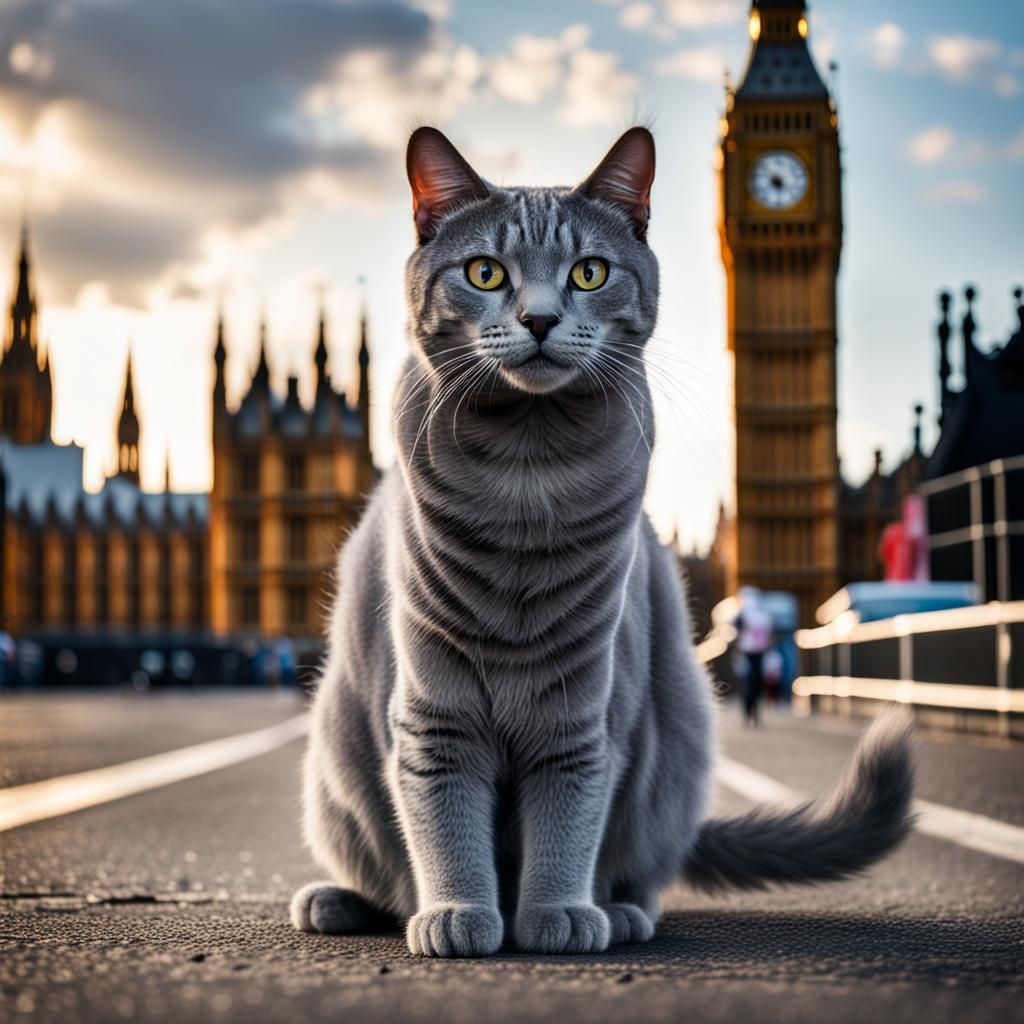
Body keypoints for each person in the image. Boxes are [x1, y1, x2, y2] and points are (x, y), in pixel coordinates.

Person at [734, 587, 773, 725]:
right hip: (748, 652)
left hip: (756, 652)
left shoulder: (759, 614)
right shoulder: (744, 615)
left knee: (755, 683)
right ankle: (749, 712)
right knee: (750, 683)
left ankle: (753, 712)